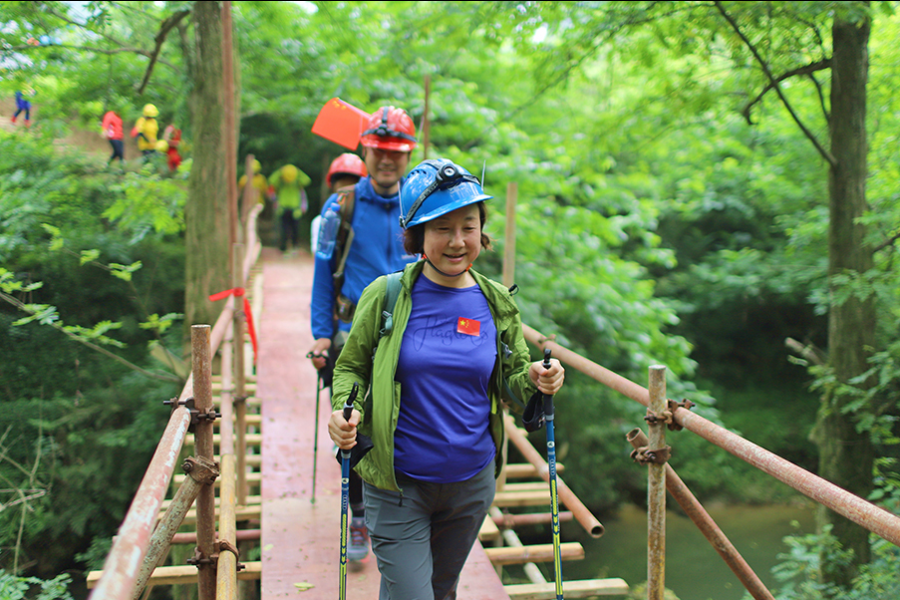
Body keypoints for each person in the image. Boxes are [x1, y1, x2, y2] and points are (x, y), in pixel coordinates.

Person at [328, 158, 566, 600]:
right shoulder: (385, 294)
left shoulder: (496, 302)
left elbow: (513, 377)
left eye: (468, 226)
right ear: (417, 235)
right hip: (397, 484)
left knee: (439, 591)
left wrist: (537, 379)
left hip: (471, 485)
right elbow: (351, 368)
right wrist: (348, 410)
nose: (457, 241)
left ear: (481, 230)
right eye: (442, 228)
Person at [308, 106, 419, 562]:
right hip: (352, 333)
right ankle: (357, 512)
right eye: (378, 151)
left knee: (408, 423)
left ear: (408, 155)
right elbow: (321, 273)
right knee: (352, 427)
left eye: (395, 152)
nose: (386, 160)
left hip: (411, 333)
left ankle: (405, 507)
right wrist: (320, 333)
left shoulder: (421, 204)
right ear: (365, 150)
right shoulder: (341, 206)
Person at [310, 153, 368, 253]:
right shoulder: (322, 221)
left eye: (352, 186)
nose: (347, 193)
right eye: (343, 186)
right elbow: (321, 256)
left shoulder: (368, 217)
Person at [268, 164, 311, 253]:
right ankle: (283, 248)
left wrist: (298, 172)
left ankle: (295, 246)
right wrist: (279, 172)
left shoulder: (297, 182)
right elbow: (271, 181)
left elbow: (307, 181)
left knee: (295, 229)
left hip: (295, 209)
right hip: (283, 208)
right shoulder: (281, 182)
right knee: (284, 229)